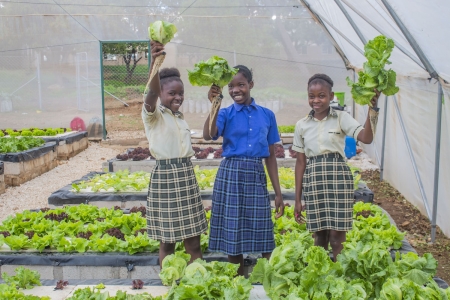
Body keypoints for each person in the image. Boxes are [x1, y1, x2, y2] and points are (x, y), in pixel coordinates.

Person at [203, 65, 285, 275]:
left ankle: (269, 278)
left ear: (251, 85)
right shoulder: (225, 113)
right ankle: (238, 280)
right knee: (233, 229)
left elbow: (270, 155)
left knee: (264, 230)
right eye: (230, 86)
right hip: (230, 173)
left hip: (255, 173)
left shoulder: (267, 115)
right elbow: (208, 134)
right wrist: (214, 105)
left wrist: (278, 193)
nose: (235, 90)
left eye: (241, 84)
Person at [292, 73, 379, 260]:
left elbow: (366, 138)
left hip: (338, 177)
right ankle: (321, 274)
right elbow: (300, 163)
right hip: (314, 179)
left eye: (321, 95)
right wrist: (297, 199)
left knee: (337, 235)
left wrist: (373, 109)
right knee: (319, 234)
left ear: (331, 97)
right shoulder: (302, 125)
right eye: (312, 96)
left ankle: (340, 273)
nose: (316, 100)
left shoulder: (341, 118)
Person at [143, 41, 208, 267]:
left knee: (194, 242)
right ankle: (168, 284)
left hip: (185, 175)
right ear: (161, 93)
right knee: (167, 243)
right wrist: (155, 63)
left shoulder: (179, 118)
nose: (178, 97)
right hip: (166, 177)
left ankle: (195, 283)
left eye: (181, 93)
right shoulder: (153, 116)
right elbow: (149, 94)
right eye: (172, 93)